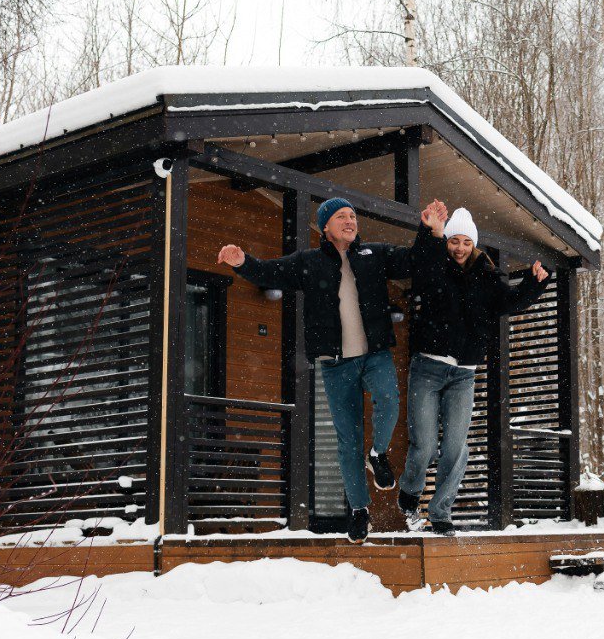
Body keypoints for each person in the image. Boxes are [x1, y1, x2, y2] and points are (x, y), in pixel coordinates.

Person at [217, 197, 409, 544]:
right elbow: (270, 272)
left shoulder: (374, 255)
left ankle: (378, 453)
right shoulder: (309, 262)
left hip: (375, 353)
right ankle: (359, 510)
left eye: (353, 215)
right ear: (326, 226)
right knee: (347, 440)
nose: (350, 221)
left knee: (388, 398)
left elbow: (415, 260)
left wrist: (432, 232)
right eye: (341, 216)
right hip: (335, 364)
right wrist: (242, 262)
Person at [397, 201, 551, 534]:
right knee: (425, 445)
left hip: (464, 375)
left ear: (474, 244)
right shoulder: (434, 265)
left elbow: (509, 302)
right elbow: (421, 260)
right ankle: (409, 494)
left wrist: (534, 284)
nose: (460, 248)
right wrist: (430, 232)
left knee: (456, 447)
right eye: (454, 241)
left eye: (466, 242)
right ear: (447, 241)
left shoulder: (487, 275)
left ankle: (440, 513)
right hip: (428, 369)